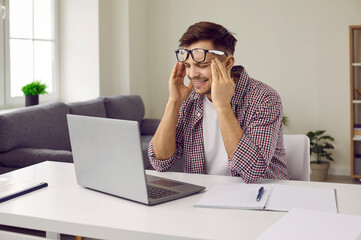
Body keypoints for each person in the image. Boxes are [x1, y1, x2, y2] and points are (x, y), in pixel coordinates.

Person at [148, 21, 290, 183]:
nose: (192, 74)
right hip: (205, 196)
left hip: (262, 194)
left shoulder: (264, 98)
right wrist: (173, 102)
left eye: (202, 65)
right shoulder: (189, 100)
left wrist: (222, 106)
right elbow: (160, 162)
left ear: (228, 63)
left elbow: (252, 171)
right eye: (187, 65)